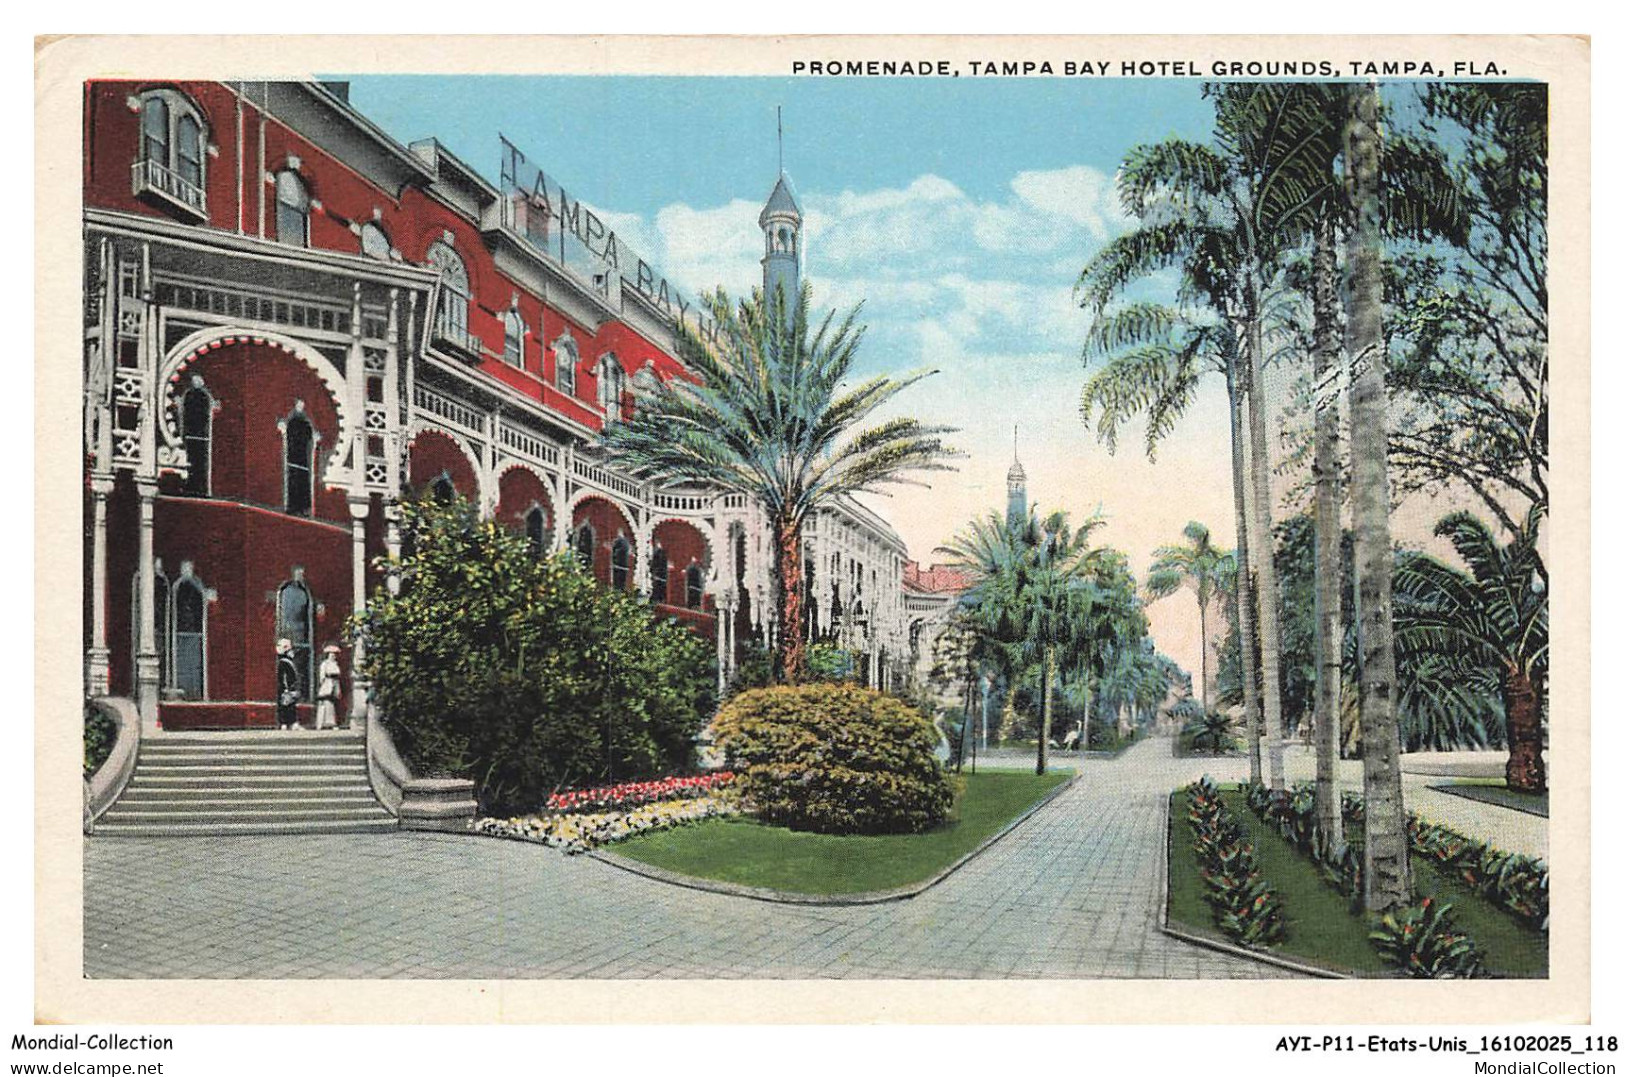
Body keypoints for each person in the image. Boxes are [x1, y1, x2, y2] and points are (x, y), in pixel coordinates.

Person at [315, 644, 343, 731]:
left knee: (333, 704)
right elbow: (322, 676)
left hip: (335, 683)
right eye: (331, 654)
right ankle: (322, 723)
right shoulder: (325, 664)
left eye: (334, 655)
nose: (333, 656)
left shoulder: (335, 664)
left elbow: (338, 674)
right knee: (325, 703)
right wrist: (324, 684)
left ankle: (332, 722)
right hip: (327, 683)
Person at [275, 638, 300, 731]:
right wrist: (286, 688)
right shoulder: (284, 662)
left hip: (290, 688)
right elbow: (284, 677)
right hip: (286, 689)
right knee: (285, 705)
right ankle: (285, 722)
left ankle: (290, 722)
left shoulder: (288, 662)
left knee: (290, 705)